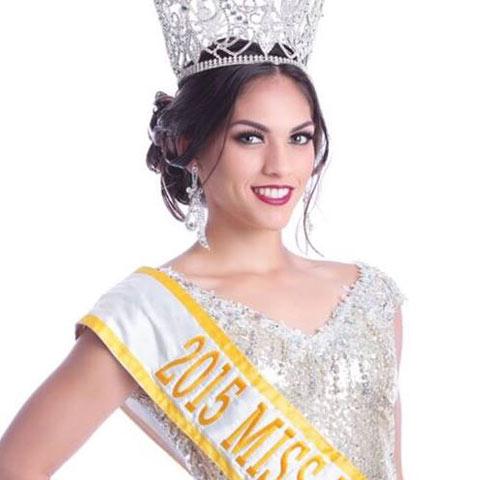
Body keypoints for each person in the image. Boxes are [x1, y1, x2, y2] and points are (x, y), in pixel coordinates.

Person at [0, 1, 407, 479]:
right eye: (249, 138)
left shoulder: (369, 299)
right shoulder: (148, 314)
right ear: (186, 144)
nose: (280, 165)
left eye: (299, 137)